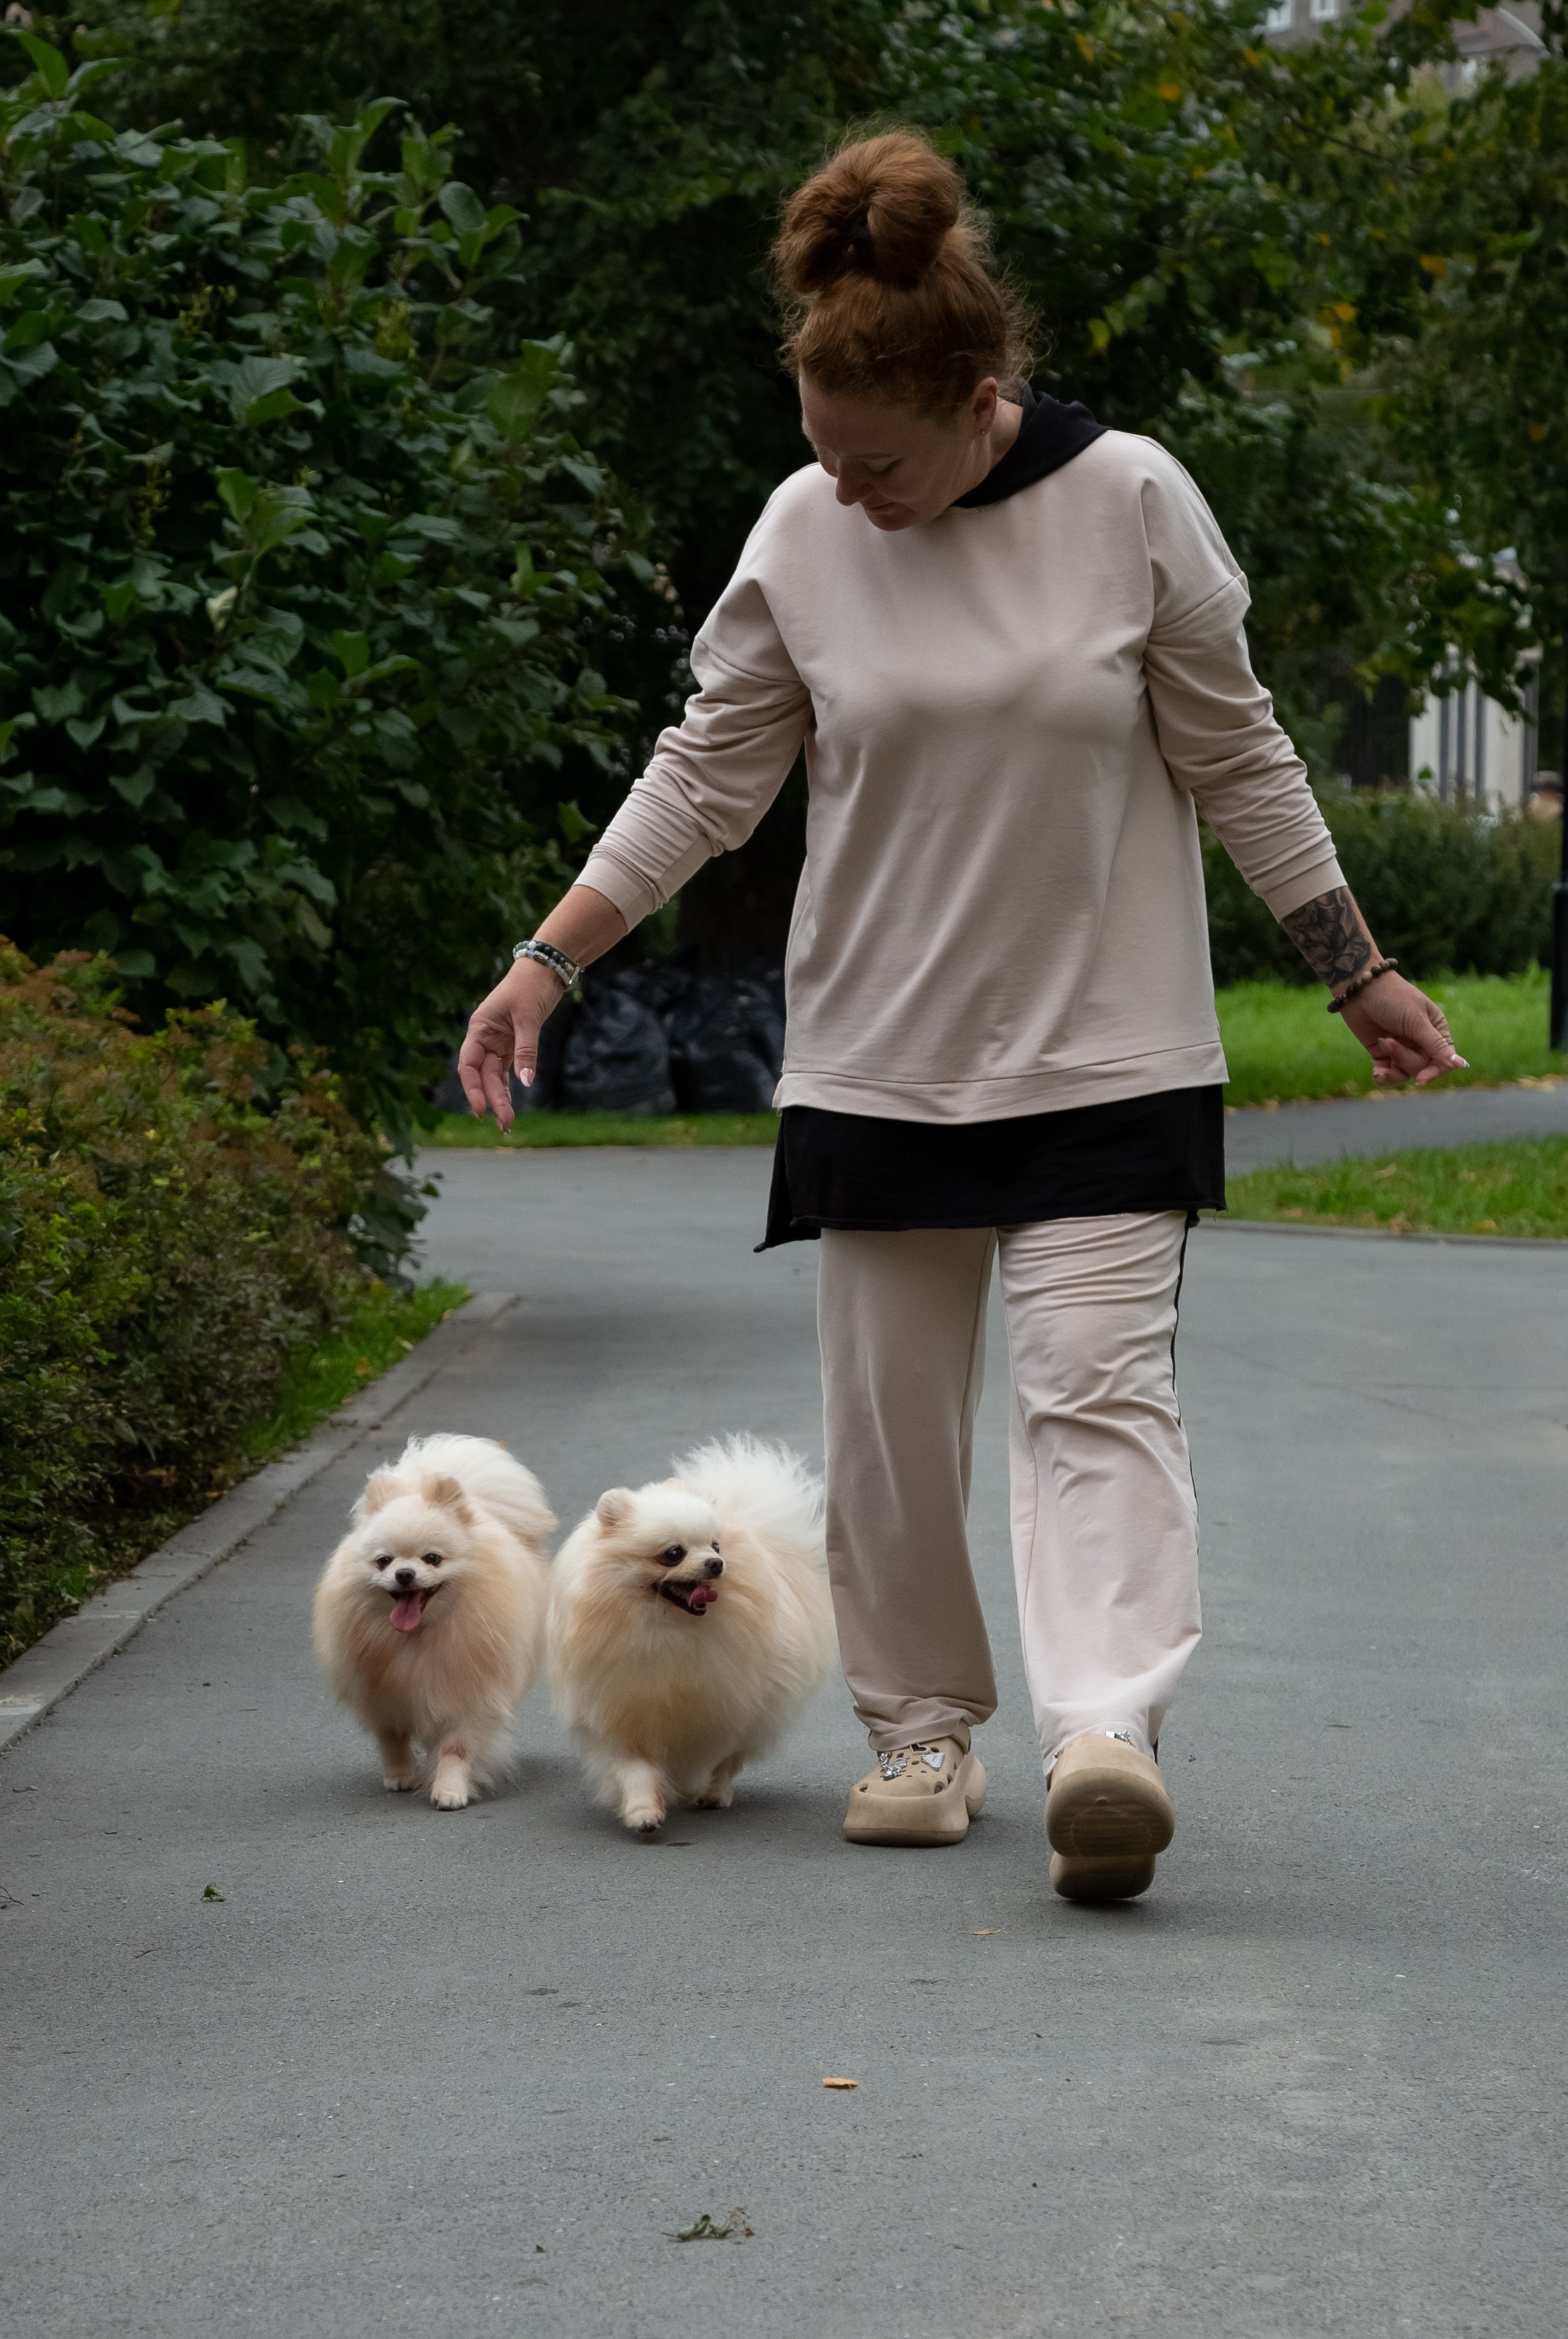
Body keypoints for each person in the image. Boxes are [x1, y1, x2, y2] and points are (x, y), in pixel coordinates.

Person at [457, 131, 1466, 1901]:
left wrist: (1352, 965)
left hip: (1109, 1046)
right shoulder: (800, 529)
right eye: (821, 454)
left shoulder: (1134, 499)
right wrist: (548, 957)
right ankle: (918, 1728)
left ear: (979, 400)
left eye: (876, 460)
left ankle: (1104, 1735)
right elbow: (706, 779)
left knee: (1094, 1398)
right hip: (881, 1058)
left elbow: (1240, 753)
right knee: (890, 1438)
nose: (845, 491)